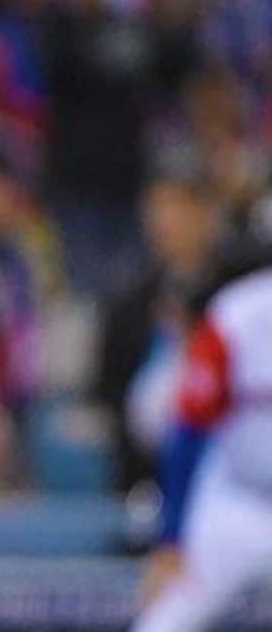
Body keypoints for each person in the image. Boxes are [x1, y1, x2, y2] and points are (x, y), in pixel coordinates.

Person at [132, 262, 272, 632]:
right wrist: (171, 541)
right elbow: (188, 431)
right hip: (237, 503)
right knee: (163, 624)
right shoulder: (236, 314)